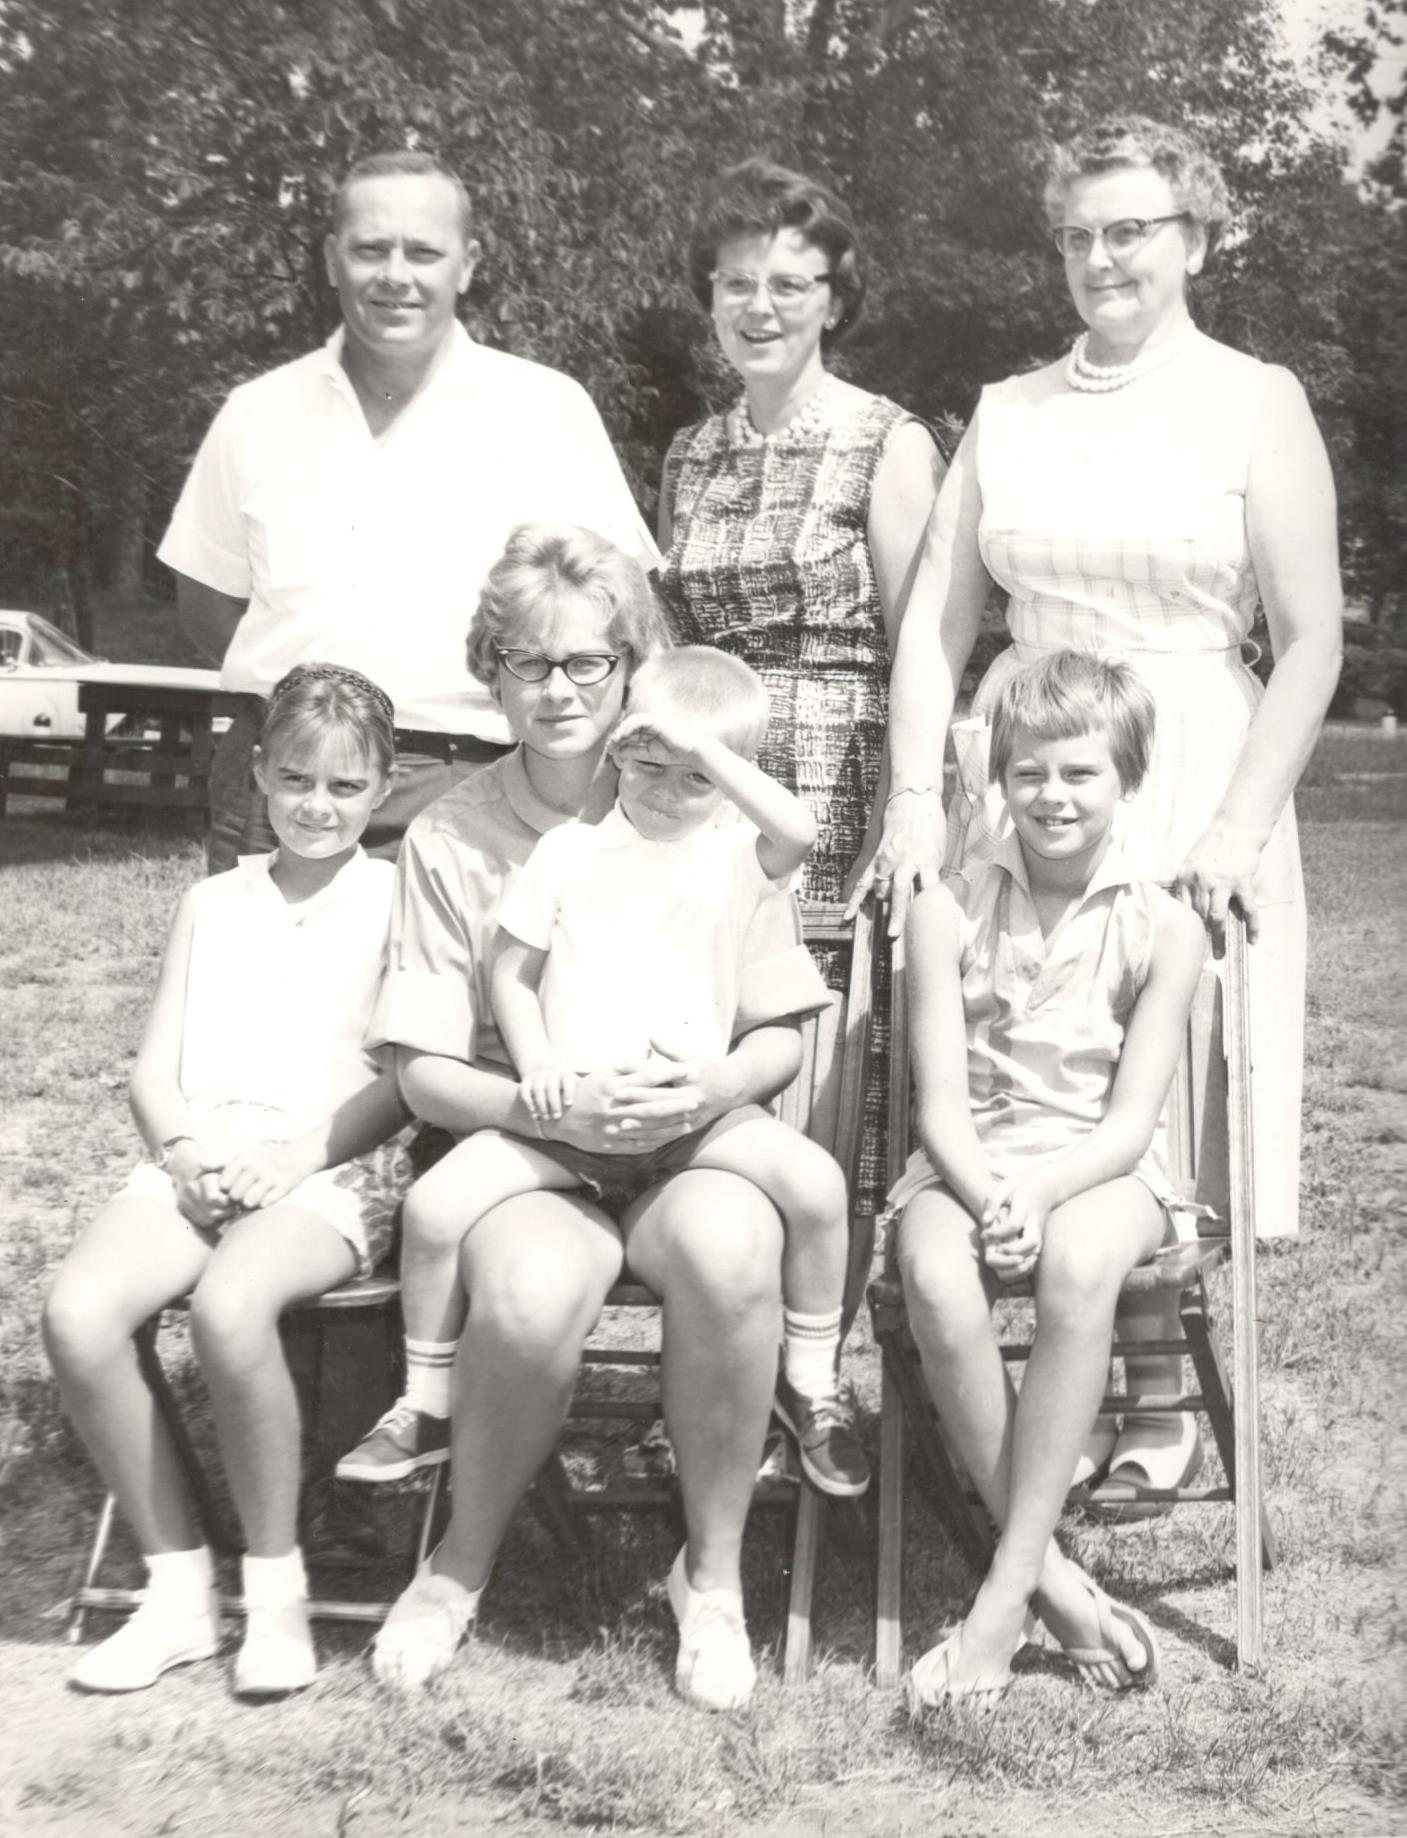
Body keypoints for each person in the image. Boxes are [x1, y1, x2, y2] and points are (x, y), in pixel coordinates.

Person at [862, 115, 1343, 1502]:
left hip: (1188, 759)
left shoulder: (1255, 399)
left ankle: (1154, 1393)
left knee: (1155, 1065)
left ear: (1196, 237)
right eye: (1075, 235)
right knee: (1025, 1049)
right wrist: (913, 796)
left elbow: (1310, 639)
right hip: (1025, 766)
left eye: (1129, 229)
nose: (1098, 258)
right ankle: (1035, 1402)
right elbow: (932, 623)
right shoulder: (1008, 409)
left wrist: (1235, 825)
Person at [362, 524, 826, 1710]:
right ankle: (457, 1565)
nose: (559, 688)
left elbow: (778, 1029)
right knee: (526, 1289)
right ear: (493, 673)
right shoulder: (452, 834)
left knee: (731, 1250)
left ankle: (710, 1580)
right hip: (528, 1146)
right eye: (528, 662)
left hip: (689, 1138)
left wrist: (712, 1087)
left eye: (588, 661)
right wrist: (551, 1107)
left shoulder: (710, 809)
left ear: (633, 671)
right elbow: (421, 1070)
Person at [338, 645, 866, 1499]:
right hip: (570, 1122)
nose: (667, 793)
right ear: (620, 749)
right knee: (434, 1208)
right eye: (649, 766)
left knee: (816, 1185)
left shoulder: (736, 858)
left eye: (695, 780)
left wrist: (703, 753)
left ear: (729, 781)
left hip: (691, 1119)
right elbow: (511, 972)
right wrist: (539, 1065)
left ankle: (808, 1384)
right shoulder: (567, 853)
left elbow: (799, 832)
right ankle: (425, 1401)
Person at [43, 664, 409, 1698]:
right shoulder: (213, 901)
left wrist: (293, 1158)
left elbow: (403, 1080)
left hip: (331, 1160)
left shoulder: (396, 900)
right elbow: (152, 1071)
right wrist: (183, 1152)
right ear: (256, 773)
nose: (316, 805)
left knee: (232, 1303)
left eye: (344, 785)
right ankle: (178, 1591)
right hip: (203, 1152)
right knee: (78, 1312)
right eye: (294, 778)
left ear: (383, 788)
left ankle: (276, 1589)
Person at [158, 148, 656, 870]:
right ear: (332, 259)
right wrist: (314, 724)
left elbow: (625, 612)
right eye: (370, 249)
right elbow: (207, 604)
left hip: (477, 784)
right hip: (287, 786)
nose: (396, 275)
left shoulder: (546, 409)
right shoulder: (255, 413)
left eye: (423, 252)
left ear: (467, 264)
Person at [894, 651, 1207, 1706]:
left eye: (1079, 773)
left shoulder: (1164, 927)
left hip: (1102, 1169)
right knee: (934, 1272)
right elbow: (939, 1109)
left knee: (1077, 1262)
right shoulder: (945, 911)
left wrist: (1040, 1193)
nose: (1051, 796)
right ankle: (1057, 1585)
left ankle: (1001, 1596)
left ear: (1128, 779)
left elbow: (1128, 1124)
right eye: (1028, 772)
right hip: (969, 1160)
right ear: (998, 778)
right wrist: (993, 1193)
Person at [657, 155, 943, 1210]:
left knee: (830, 1056)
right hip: (707, 792)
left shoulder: (886, 442)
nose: (759, 307)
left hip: (839, 787)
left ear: (834, 298)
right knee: (713, 1029)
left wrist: (902, 811)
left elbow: (923, 645)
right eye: (736, 283)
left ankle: (826, 1296)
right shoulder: (690, 453)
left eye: (787, 284)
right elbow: (673, 639)